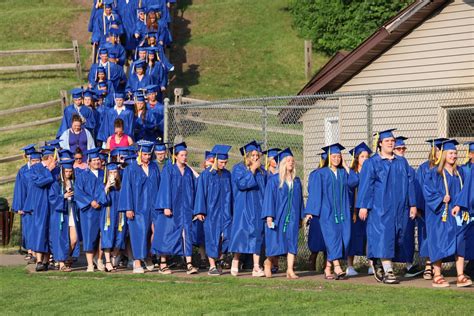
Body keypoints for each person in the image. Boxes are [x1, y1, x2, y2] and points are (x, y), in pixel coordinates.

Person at [356, 129, 417, 285]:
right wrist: (363, 206)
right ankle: (388, 270)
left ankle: (377, 261)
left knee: (398, 237)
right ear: (380, 143)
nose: (391, 142)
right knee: (384, 236)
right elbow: (366, 186)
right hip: (380, 207)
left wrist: (413, 204)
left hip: (400, 207)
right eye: (387, 140)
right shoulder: (372, 163)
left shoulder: (401, 162)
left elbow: (409, 183)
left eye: (392, 140)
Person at [305, 143, 357, 280]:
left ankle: (328, 268)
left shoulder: (342, 173)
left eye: (339, 156)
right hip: (327, 212)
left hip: (343, 212)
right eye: (334, 156)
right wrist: (310, 211)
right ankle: (337, 267)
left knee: (343, 239)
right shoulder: (320, 173)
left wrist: (346, 166)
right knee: (332, 238)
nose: (336, 158)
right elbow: (315, 193)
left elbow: (354, 181)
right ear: (328, 157)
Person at [423, 139, 471, 288]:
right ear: (443, 154)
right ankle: (437, 275)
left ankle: (460, 275)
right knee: (439, 241)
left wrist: (459, 204)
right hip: (440, 214)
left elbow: (467, 191)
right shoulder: (434, 173)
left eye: (455, 153)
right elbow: (427, 191)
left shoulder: (460, 172)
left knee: (460, 241)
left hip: (457, 213)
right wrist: (441, 199)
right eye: (450, 153)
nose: (453, 156)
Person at [154, 142, 199, 275]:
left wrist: (194, 209)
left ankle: (189, 264)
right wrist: (166, 206)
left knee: (187, 234)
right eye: (182, 155)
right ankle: (163, 264)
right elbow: (164, 188)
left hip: (185, 209)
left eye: (186, 155)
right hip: (172, 208)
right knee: (167, 234)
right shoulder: (169, 169)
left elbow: (195, 187)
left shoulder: (188, 172)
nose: (185, 157)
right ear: (175, 156)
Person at [120, 140, 161, 273]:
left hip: (154, 206)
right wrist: (128, 208)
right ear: (138, 153)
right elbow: (126, 189)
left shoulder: (154, 167)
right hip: (138, 208)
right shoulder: (131, 169)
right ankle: (137, 262)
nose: (147, 157)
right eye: (145, 154)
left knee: (155, 231)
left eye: (149, 154)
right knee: (140, 234)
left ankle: (148, 256)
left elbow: (159, 186)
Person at [262, 148, 303, 279]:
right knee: (276, 243)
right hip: (279, 216)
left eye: (292, 160)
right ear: (283, 163)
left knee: (292, 242)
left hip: (293, 216)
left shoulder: (296, 181)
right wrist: (269, 216)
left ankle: (290, 270)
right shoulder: (274, 180)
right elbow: (269, 199)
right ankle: (267, 262)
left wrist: (301, 216)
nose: (291, 162)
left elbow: (300, 200)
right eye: (288, 160)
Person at [229, 140, 267, 277]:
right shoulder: (238, 168)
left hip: (258, 207)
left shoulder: (263, 172)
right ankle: (235, 261)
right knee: (241, 233)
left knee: (257, 236)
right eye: (253, 155)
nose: (256, 158)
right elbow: (242, 184)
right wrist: (252, 170)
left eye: (257, 155)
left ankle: (256, 267)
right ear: (247, 156)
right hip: (243, 207)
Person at [194, 145, 233, 275]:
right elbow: (201, 193)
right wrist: (200, 211)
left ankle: (220, 260)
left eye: (225, 162)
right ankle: (212, 266)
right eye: (221, 162)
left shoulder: (228, 175)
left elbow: (231, 195)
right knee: (212, 237)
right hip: (211, 212)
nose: (223, 164)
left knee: (226, 237)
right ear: (215, 160)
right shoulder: (206, 175)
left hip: (226, 212)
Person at [415, 138, 448, 280]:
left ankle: (437, 267)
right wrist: (419, 207)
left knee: (440, 237)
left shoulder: (446, 168)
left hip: (444, 208)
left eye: (441, 150)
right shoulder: (423, 168)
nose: (439, 152)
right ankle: (428, 265)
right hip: (427, 208)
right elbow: (418, 189)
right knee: (428, 236)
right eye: (437, 149)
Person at [392, 136, 422, 277]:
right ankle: (386, 266)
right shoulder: (387, 166)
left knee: (407, 236)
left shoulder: (408, 167)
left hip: (406, 208)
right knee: (390, 237)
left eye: (404, 148)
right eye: (399, 148)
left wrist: (413, 205)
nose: (402, 150)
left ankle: (409, 265)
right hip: (391, 209)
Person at [23, 147, 57, 271]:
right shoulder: (35, 169)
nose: (56, 161)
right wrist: (49, 170)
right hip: (40, 204)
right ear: (49, 158)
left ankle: (47, 262)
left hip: (53, 204)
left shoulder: (55, 169)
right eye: (54, 159)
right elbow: (41, 182)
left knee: (50, 232)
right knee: (40, 231)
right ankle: (39, 261)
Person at [74, 148, 108, 272]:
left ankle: (99, 259)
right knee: (89, 236)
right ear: (88, 162)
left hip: (102, 209)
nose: (96, 162)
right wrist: (90, 201)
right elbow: (78, 192)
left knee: (102, 236)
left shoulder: (104, 174)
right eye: (94, 160)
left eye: (98, 159)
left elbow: (107, 191)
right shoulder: (82, 175)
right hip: (88, 211)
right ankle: (89, 264)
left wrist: (100, 201)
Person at [49, 159, 81, 272]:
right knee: (61, 239)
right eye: (66, 171)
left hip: (72, 212)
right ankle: (61, 263)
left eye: (70, 171)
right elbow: (52, 199)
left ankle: (64, 259)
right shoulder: (56, 184)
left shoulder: (74, 182)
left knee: (74, 239)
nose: (68, 173)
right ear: (62, 171)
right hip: (60, 214)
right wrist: (63, 196)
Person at [346, 142, 371, 277]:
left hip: (369, 210)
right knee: (353, 238)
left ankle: (371, 264)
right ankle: (350, 265)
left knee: (369, 237)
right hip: (354, 212)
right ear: (356, 159)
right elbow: (352, 183)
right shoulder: (352, 173)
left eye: (367, 157)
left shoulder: (371, 171)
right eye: (362, 157)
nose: (365, 159)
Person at [12, 145, 40, 263]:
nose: (34, 161)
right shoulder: (23, 171)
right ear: (27, 158)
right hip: (27, 205)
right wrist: (19, 206)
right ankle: (30, 251)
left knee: (36, 228)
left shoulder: (40, 170)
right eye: (31, 158)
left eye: (35, 159)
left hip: (37, 203)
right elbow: (19, 189)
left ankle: (35, 252)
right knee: (28, 229)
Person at [101, 162, 127, 272]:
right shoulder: (103, 184)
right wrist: (107, 187)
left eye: (115, 172)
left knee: (120, 237)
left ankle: (114, 258)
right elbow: (101, 200)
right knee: (107, 237)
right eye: (111, 172)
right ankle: (107, 262)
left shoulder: (122, 185)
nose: (113, 174)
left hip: (120, 215)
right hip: (108, 214)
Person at [306, 153, 327, 272]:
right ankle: (312, 261)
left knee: (328, 240)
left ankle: (327, 266)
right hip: (318, 210)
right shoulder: (316, 174)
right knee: (317, 238)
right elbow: (312, 191)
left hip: (329, 209)